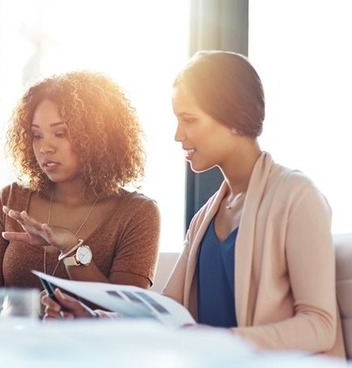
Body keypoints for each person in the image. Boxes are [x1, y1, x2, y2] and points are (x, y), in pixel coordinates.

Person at [42, 51, 345, 358]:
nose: (177, 135)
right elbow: (166, 314)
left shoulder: (297, 196)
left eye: (189, 120)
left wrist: (219, 340)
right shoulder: (205, 219)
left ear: (235, 119)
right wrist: (93, 321)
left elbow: (319, 326)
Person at [0, 70, 160, 325]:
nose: (45, 148)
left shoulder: (137, 213)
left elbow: (128, 316)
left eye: (60, 134)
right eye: (37, 135)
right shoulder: (11, 200)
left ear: (96, 138)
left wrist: (72, 250)